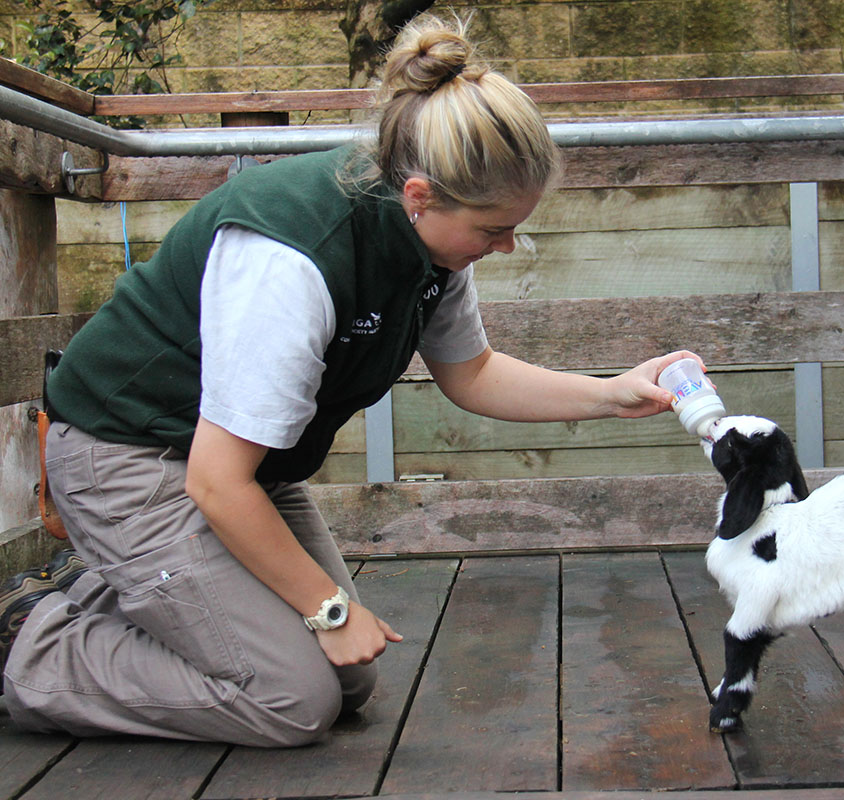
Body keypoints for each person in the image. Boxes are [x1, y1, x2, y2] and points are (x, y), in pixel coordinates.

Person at [0, 13, 705, 746]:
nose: (507, 245)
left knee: (347, 681)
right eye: (494, 228)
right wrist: (330, 610)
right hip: (130, 459)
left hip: (237, 468)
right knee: (289, 699)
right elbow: (215, 482)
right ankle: (29, 644)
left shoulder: (432, 250)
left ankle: (92, 586)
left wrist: (612, 391)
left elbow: (475, 375)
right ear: (422, 196)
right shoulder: (293, 259)